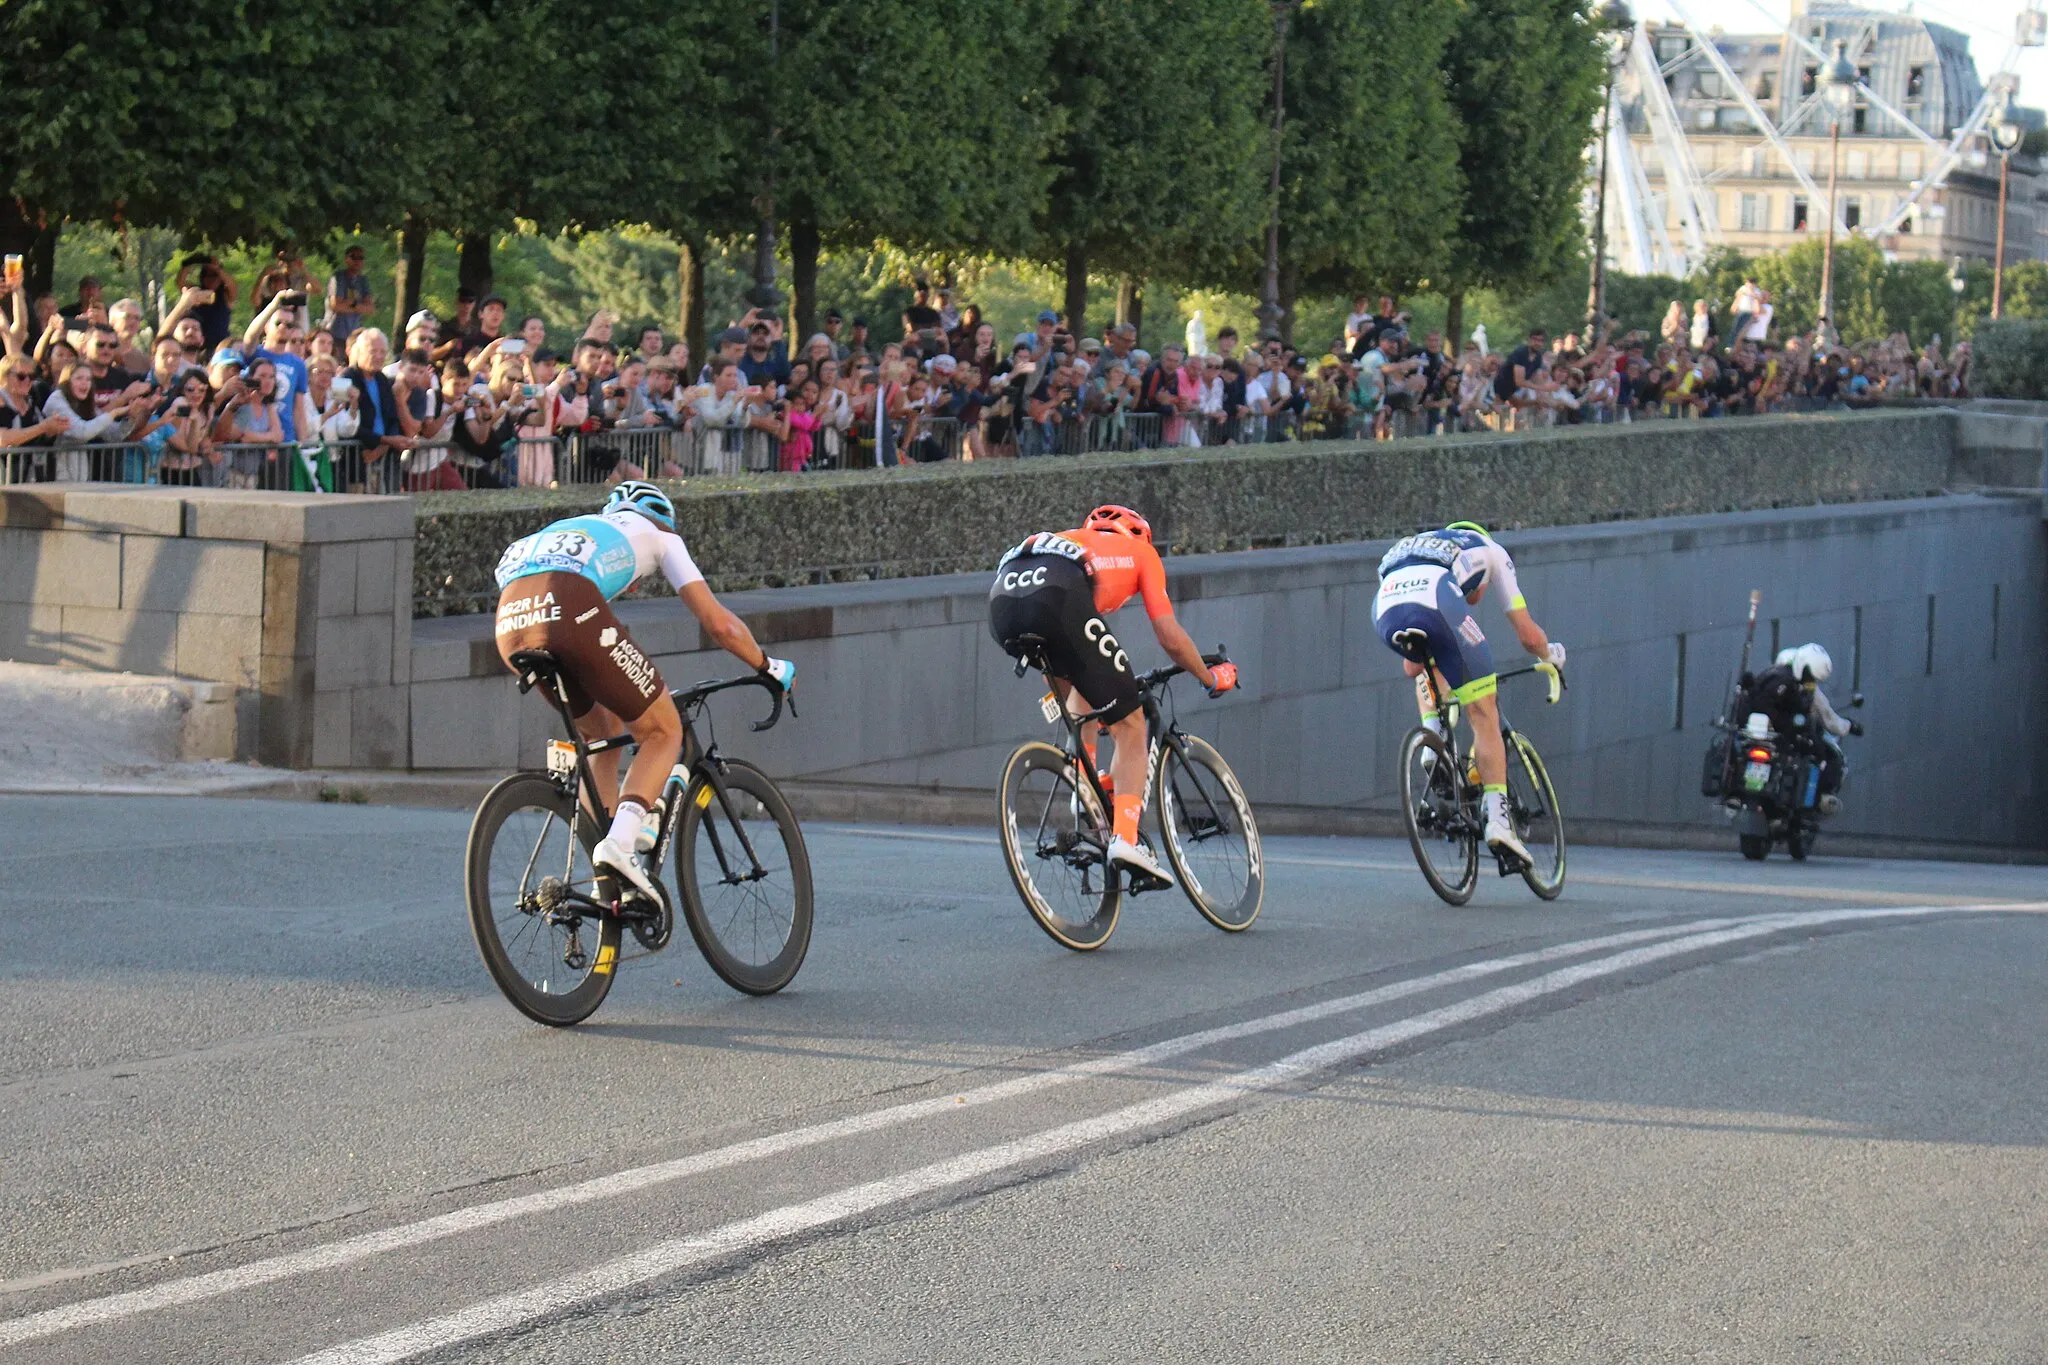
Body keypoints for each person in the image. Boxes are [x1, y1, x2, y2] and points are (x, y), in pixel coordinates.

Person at [492, 481, 797, 901]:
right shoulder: (661, 536)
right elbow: (720, 625)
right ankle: (619, 847)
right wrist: (769, 666)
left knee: (601, 735)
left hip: (509, 622)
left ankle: (607, 876)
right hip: (569, 604)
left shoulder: (579, 527)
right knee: (662, 731)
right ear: (662, 519)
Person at [986, 505, 1239, 887]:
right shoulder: (1143, 553)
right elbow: (1169, 635)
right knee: (1133, 726)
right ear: (1138, 534)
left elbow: (1071, 677)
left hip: (1003, 601)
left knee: (1082, 690)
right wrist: (1208, 676)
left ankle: (1084, 788)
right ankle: (1125, 838)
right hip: (1059, 593)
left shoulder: (1075, 539)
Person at [1374, 522, 1566, 865]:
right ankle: (1499, 821)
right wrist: (1551, 656)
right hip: (1438, 598)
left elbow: (1412, 667)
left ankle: (1432, 739)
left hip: (1385, 606)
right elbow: (1528, 636)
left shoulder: (1414, 545)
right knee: (1484, 711)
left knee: (1427, 660)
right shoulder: (1492, 552)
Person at [1741, 643, 1860, 812]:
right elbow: (1826, 717)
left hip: (1757, 734)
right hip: (1780, 737)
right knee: (1820, 754)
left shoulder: (1766, 679)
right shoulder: (1791, 685)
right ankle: (1812, 801)